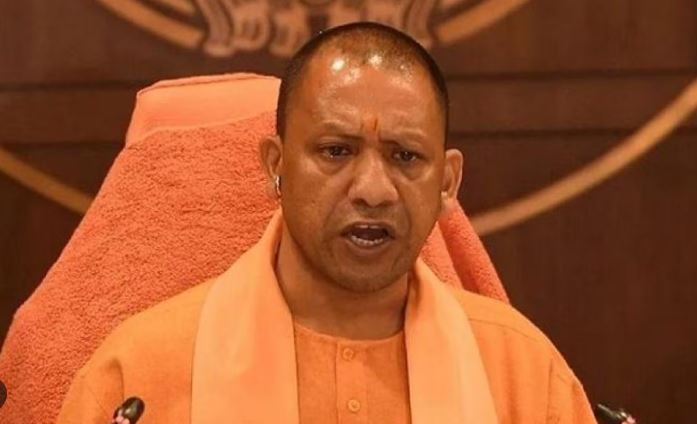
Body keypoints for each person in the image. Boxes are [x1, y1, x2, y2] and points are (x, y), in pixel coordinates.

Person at [57, 22, 597, 423]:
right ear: (276, 166)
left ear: (447, 182)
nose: (373, 190)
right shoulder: (140, 375)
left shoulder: (523, 375)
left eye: (406, 156)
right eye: (336, 150)